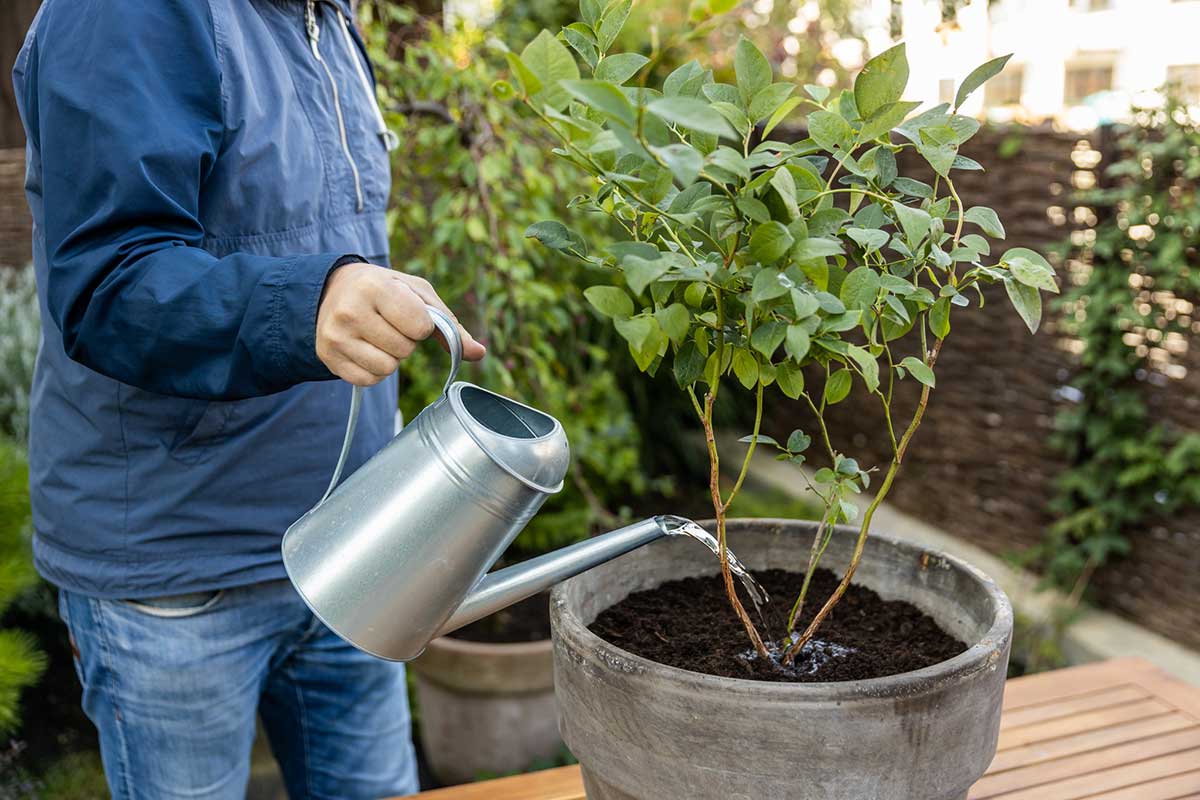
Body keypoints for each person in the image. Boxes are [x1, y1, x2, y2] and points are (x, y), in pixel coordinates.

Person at [12, 0, 486, 797]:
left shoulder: (325, 21)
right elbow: (109, 283)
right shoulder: (128, 15)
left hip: (353, 551)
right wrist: (309, 304)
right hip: (181, 571)